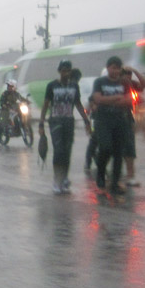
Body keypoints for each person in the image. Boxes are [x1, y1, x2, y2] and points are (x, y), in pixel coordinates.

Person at [38, 60, 91, 194]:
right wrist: (41, 123)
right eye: (63, 70)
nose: (66, 73)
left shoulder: (74, 86)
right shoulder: (52, 86)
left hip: (69, 121)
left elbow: (78, 104)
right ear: (59, 71)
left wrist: (86, 121)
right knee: (59, 150)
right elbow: (45, 105)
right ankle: (57, 180)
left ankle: (64, 179)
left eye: (68, 70)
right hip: (55, 121)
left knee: (67, 152)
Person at [92, 56, 133, 195]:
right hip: (103, 120)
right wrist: (116, 98)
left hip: (120, 120)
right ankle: (101, 175)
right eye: (113, 68)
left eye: (118, 68)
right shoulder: (100, 82)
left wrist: (107, 100)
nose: (115, 71)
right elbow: (97, 99)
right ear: (108, 67)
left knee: (118, 153)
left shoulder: (124, 82)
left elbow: (128, 101)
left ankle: (114, 183)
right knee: (105, 147)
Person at [119, 66, 145, 186]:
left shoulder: (132, 83)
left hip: (127, 118)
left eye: (130, 74)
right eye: (126, 73)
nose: (128, 76)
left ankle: (130, 175)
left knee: (129, 147)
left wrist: (136, 71)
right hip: (114, 118)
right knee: (113, 148)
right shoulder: (115, 84)